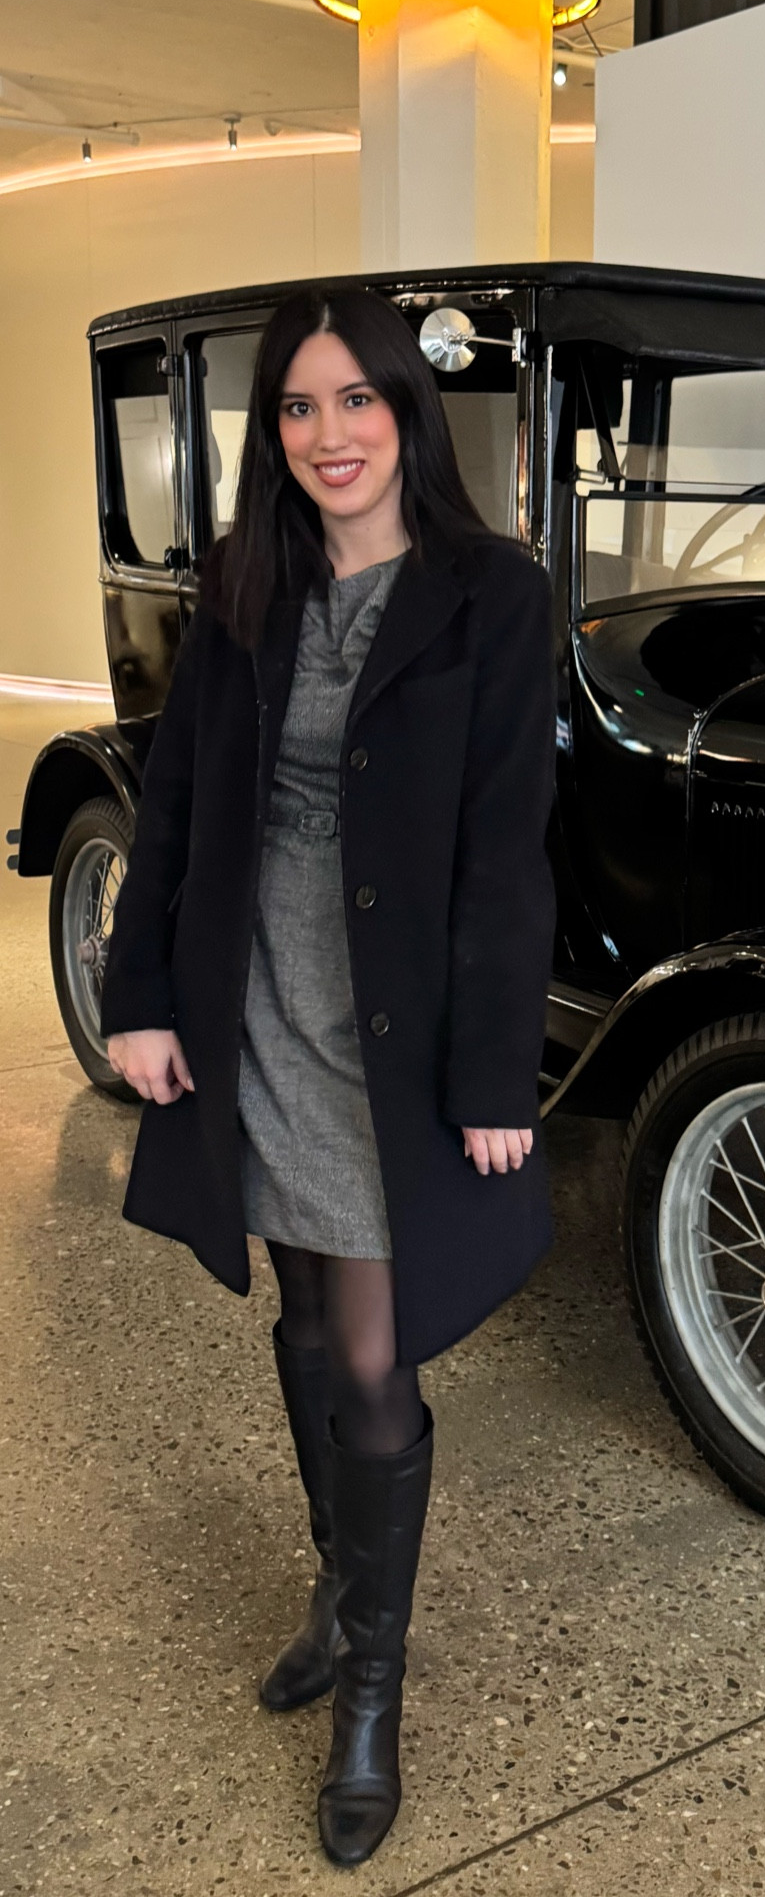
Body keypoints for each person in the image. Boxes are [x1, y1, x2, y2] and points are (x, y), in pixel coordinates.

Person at [100, 285, 557, 1867]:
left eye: (356, 400)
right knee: (300, 1321)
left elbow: (507, 851)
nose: (329, 434)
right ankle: (340, 1589)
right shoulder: (250, 580)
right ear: (270, 435)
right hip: (256, 1000)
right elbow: (175, 798)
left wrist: (501, 1070)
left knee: (370, 1355)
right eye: (298, 409)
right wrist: (139, 989)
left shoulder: (495, 596)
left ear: (406, 415)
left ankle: (373, 1688)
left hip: (397, 1027)